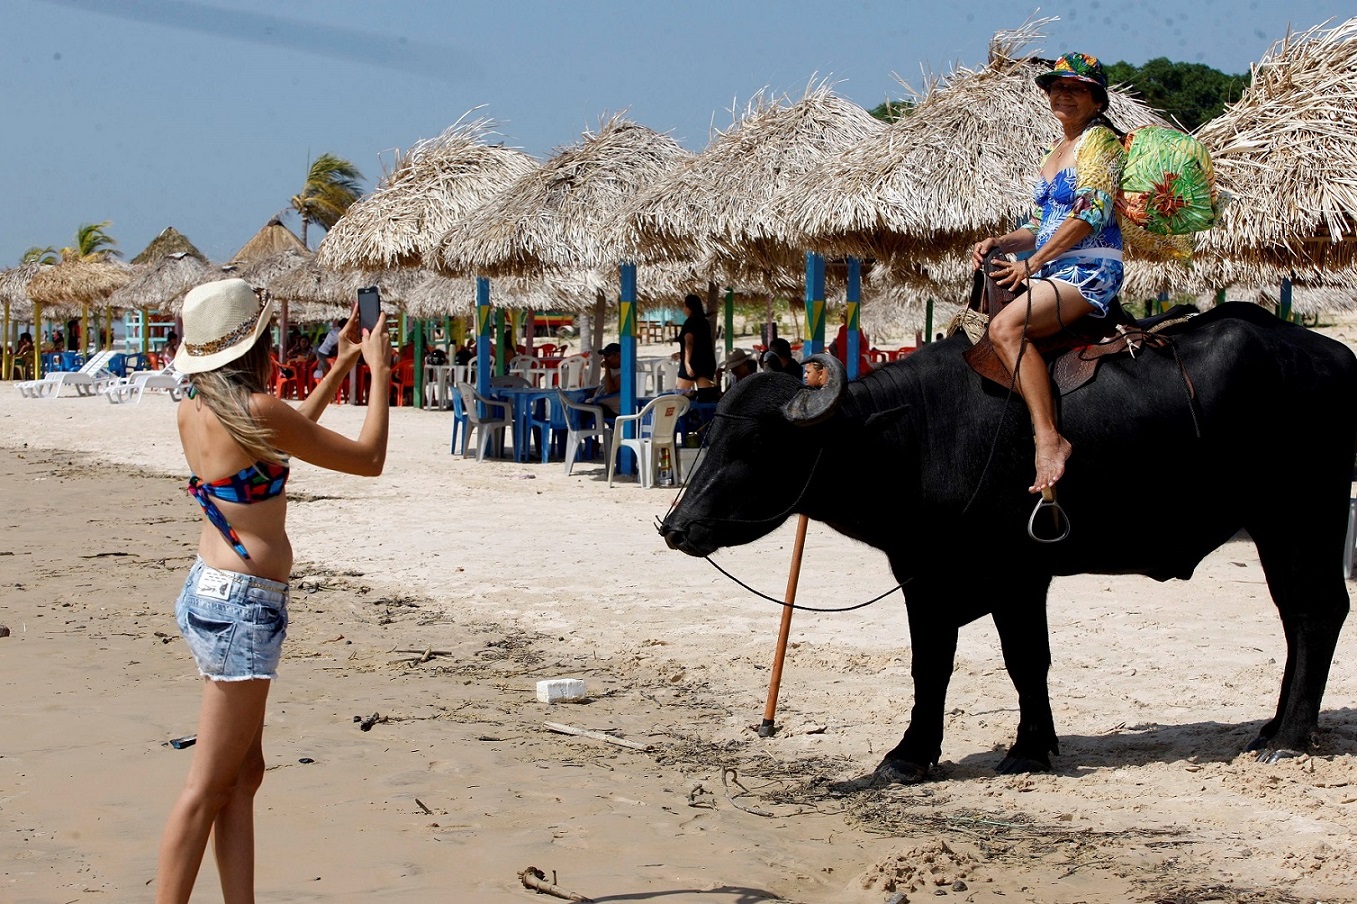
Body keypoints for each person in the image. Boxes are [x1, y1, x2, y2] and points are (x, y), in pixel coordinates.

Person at [155, 278, 390, 904]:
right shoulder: (255, 410)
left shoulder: (198, 407)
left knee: (241, 775)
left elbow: (286, 436)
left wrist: (340, 365)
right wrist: (379, 371)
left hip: (212, 592)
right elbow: (367, 459)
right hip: (240, 607)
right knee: (207, 785)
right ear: (254, 346)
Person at [972, 52, 1125, 495]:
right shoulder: (1054, 150)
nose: (1062, 94)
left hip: (1090, 268)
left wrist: (1032, 264)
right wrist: (1001, 243)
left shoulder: (1100, 144)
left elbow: (1091, 212)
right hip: (1051, 268)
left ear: (1097, 101)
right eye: (1056, 87)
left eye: (1075, 88)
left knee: (1004, 329)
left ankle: (1049, 438)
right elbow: (1038, 227)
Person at [673, 293, 716, 393]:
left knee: (680, 396)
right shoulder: (704, 322)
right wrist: (681, 354)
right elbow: (700, 345)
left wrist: (687, 363)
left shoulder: (690, 322)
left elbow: (689, 343)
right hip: (706, 362)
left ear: (690, 308)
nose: (683, 308)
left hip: (693, 362)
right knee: (706, 397)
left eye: (684, 305)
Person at [588, 342, 622, 416]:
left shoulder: (622, 372)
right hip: (599, 402)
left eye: (607, 355)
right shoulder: (613, 369)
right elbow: (603, 387)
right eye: (604, 356)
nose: (604, 358)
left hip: (611, 408)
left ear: (617, 356)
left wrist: (607, 368)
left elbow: (610, 390)